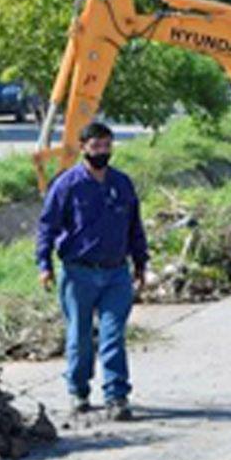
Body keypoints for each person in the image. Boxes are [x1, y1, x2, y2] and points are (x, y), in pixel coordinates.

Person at [35, 121, 148, 421]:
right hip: (78, 273)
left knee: (113, 335)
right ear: (83, 148)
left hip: (115, 274)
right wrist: (44, 264)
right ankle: (78, 391)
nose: (102, 151)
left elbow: (135, 225)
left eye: (107, 146)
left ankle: (116, 396)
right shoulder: (67, 185)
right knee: (80, 336)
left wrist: (141, 262)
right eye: (96, 146)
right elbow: (47, 226)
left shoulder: (121, 184)